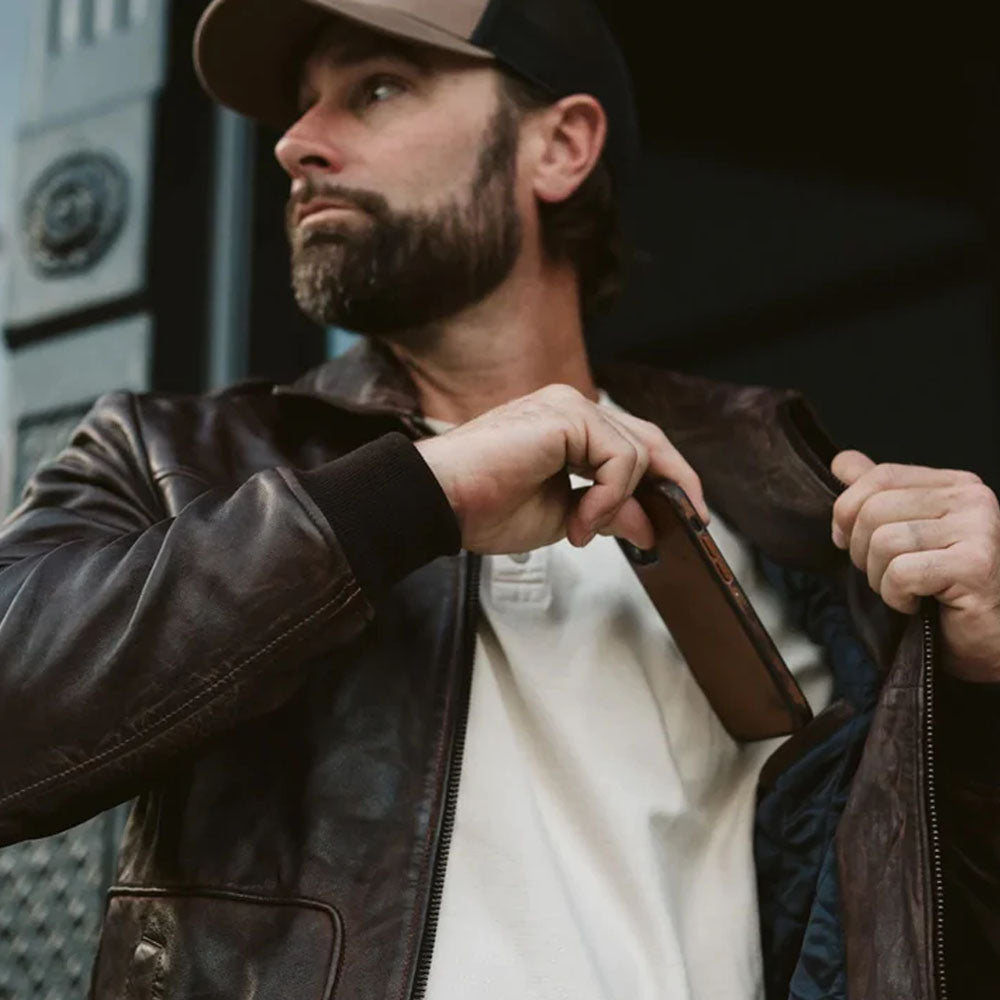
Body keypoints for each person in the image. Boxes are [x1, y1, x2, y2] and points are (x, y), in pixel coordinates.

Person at [0, 0, 998, 996]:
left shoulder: (779, 512)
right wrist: (408, 499)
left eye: (376, 89)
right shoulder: (170, 456)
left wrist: (983, 687)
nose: (296, 143)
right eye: (301, 105)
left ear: (560, 147)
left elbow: (928, 939)